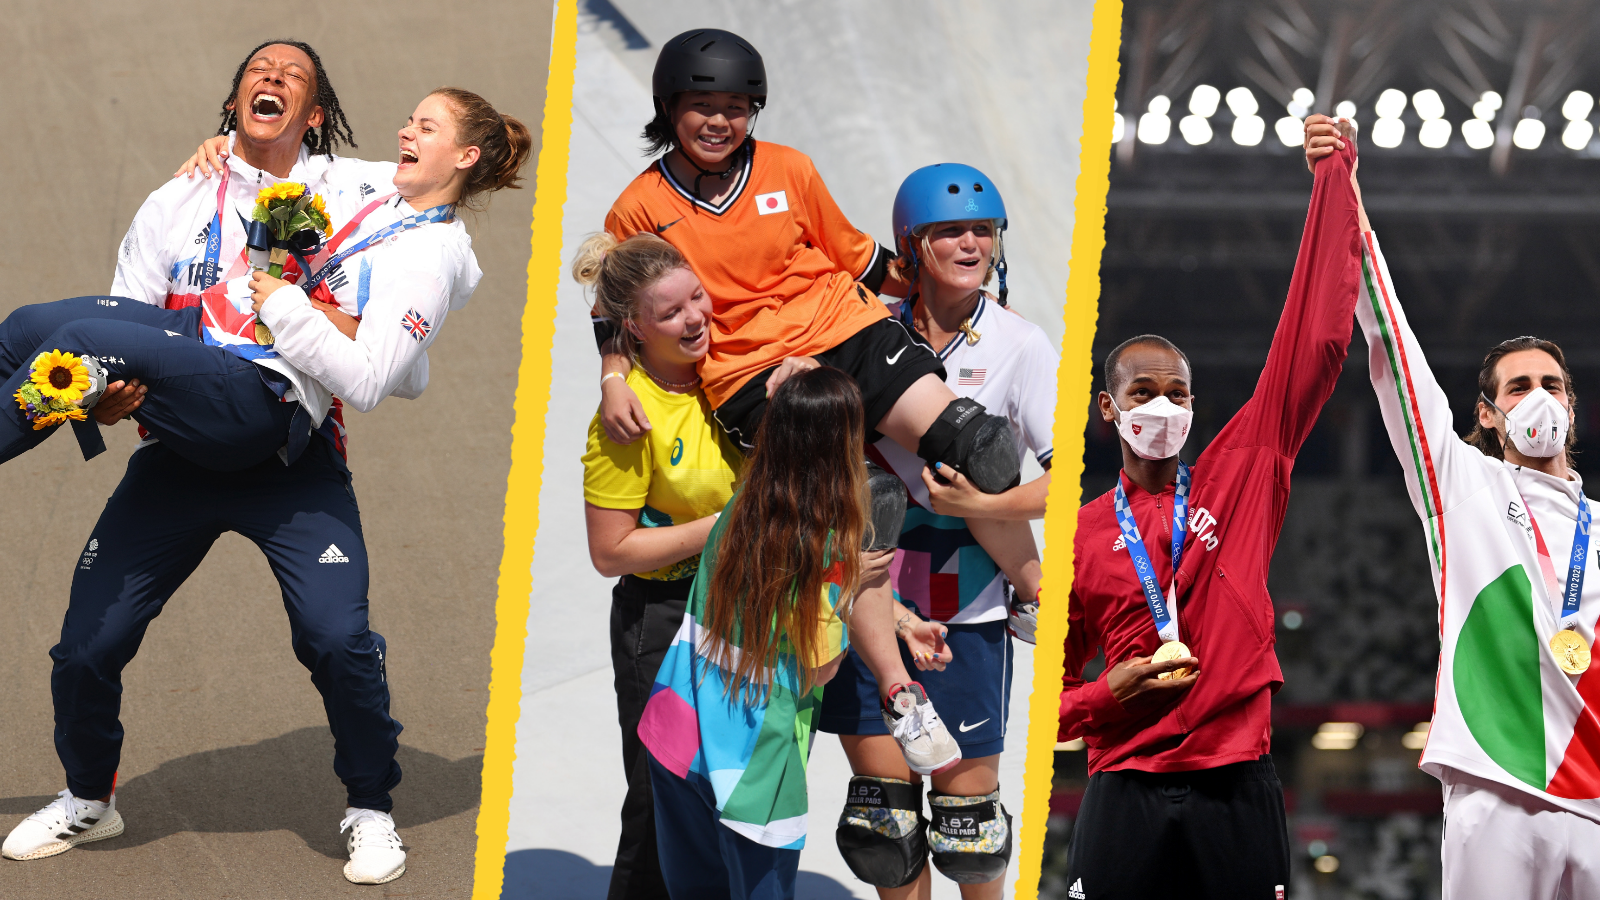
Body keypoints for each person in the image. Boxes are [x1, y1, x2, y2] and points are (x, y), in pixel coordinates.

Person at [0, 52, 530, 888]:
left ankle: (370, 808)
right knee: (84, 648)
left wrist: (313, 313)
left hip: (287, 455)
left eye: (292, 74)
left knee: (336, 638)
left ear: (314, 114)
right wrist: (102, 396)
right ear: (234, 98)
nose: (270, 74)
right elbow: (125, 315)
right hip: (177, 445)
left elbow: (424, 278)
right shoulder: (176, 198)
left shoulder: (356, 188)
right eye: (257, 68)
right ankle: (88, 798)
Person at [597, 27, 1043, 776]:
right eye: (703, 107)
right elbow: (617, 314)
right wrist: (614, 378)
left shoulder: (788, 170)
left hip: (849, 331)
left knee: (979, 445)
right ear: (669, 107)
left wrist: (949, 297)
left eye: (736, 108)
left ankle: (1036, 599)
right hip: (754, 376)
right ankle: (900, 694)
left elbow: (861, 258)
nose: (719, 122)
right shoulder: (638, 209)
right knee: (861, 508)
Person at [1055, 130, 1363, 895]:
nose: (1162, 406)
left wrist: (1334, 177)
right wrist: (1107, 693)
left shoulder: (1244, 471)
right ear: (1107, 409)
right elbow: (1043, 706)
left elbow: (1316, 340)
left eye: (1178, 393)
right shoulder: (1079, 534)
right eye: (1142, 392)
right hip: (1124, 783)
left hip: (1237, 780)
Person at [1305, 112, 1600, 898]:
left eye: (1553, 386)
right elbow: (1388, 340)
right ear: (1488, 415)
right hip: (1495, 790)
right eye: (1518, 387)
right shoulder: (1460, 484)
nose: (1539, 399)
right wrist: (1345, 193)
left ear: (1575, 409)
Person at [817, 164, 1055, 895]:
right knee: (886, 828)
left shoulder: (1019, 344)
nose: (970, 243)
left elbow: (1066, 482)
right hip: (872, 604)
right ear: (911, 244)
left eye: (983, 229)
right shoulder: (863, 335)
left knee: (969, 831)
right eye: (949, 231)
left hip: (971, 611)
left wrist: (977, 509)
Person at [636, 366, 874, 900]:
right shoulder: (830, 550)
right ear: (845, 446)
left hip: (678, 734)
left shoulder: (736, 512)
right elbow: (821, 667)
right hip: (755, 766)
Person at [574, 232, 744, 899]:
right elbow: (609, 552)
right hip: (666, 618)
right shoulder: (627, 415)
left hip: (751, 610)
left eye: (697, 296)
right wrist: (727, 527)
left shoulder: (737, 370)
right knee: (660, 800)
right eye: (671, 313)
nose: (695, 317)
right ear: (635, 330)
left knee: (735, 800)